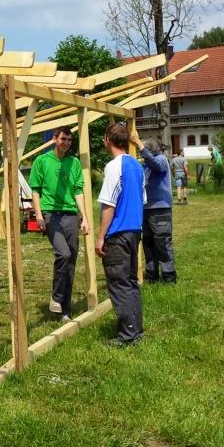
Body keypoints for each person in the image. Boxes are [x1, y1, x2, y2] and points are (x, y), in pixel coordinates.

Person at [29, 126, 90, 322]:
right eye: (63, 139)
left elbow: (78, 191)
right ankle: (56, 297)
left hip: (70, 215)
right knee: (63, 254)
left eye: (69, 140)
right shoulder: (42, 161)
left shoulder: (74, 163)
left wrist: (85, 217)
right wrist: (38, 215)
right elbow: (35, 190)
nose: (66, 143)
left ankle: (65, 309)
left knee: (71, 261)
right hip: (50, 214)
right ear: (55, 139)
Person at [96, 122, 145, 347]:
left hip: (118, 233)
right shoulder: (136, 165)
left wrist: (100, 237)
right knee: (131, 282)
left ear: (108, 140)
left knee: (119, 283)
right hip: (135, 231)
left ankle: (127, 335)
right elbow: (142, 199)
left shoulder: (114, 166)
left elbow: (109, 204)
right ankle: (136, 330)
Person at [130, 133, 177, 284]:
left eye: (143, 149)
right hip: (146, 209)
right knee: (148, 244)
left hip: (160, 209)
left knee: (162, 243)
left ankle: (169, 277)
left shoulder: (162, 160)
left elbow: (154, 163)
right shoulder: (145, 165)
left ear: (150, 150)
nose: (141, 153)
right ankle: (152, 276)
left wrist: (138, 143)